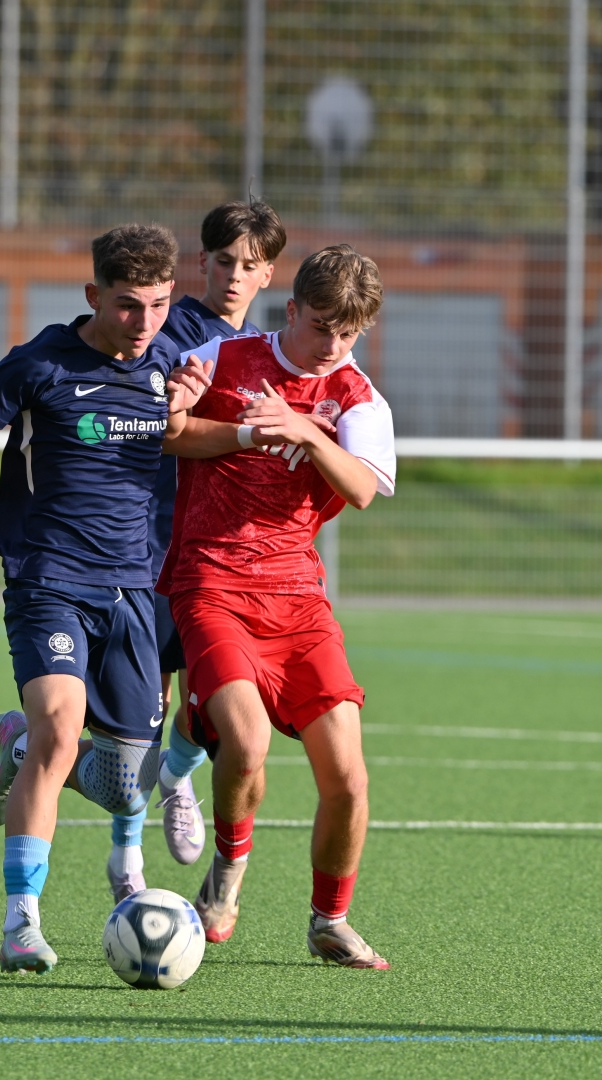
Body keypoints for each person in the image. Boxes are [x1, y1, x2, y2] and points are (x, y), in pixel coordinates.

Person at [0, 224, 209, 974]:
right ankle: (21, 921)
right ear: (93, 295)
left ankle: (16, 746)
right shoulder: (38, 364)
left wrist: (215, 419)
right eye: (127, 305)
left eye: (158, 304)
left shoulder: (170, 367)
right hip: (47, 578)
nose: (144, 321)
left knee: (126, 790)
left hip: (134, 589)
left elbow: (193, 437)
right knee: (60, 731)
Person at [157, 244, 396, 968]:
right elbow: (168, 433)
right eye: (320, 326)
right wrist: (194, 411)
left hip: (297, 598)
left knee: (348, 779)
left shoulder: (357, 396)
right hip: (210, 582)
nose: (332, 345)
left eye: (348, 333)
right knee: (247, 741)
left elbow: (362, 487)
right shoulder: (221, 357)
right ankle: (227, 872)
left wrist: (304, 430)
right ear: (290, 310)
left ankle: (329, 920)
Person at [134, 199, 287, 883]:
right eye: (224, 261)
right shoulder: (169, 333)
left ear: (268, 275)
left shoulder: (262, 351)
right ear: (203, 262)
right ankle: (127, 859)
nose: (234, 275)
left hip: (217, 549)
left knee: (216, 704)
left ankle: (176, 776)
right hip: (147, 537)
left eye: (249, 265)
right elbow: (162, 428)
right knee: (146, 705)